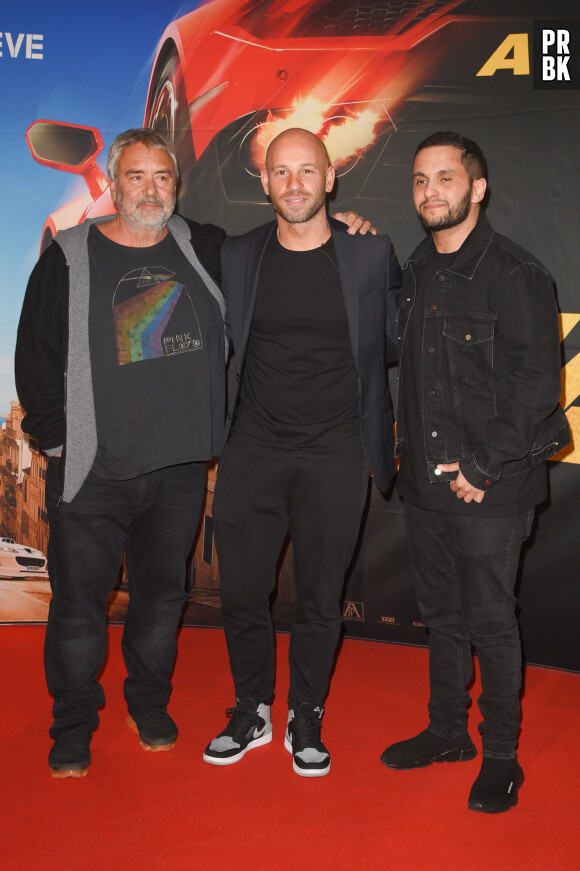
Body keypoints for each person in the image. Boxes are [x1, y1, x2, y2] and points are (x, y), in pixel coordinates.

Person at [15, 127, 371, 779]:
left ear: (176, 187)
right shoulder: (67, 254)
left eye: (162, 178)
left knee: (159, 599)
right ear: (114, 184)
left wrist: (343, 231)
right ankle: (72, 721)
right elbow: (33, 358)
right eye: (136, 177)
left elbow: (292, 241)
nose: (150, 190)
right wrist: (60, 440)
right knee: (77, 606)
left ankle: (147, 704)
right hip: (92, 470)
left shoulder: (204, 246)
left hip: (180, 470)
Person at [380, 132, 569, 812]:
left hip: (495, 483)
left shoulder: (517, 275)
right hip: (428, 484)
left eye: (446, 178)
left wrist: (483, 468)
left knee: (490, 620)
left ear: (477, 189)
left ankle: (500, 756)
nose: (431, 191)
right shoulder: (421, 267)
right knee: (442, 616)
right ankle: (446, 731)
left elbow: (536, 388)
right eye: (421, 179)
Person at [203, 127, 401, 777]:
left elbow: (394, 343)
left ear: (330, 178)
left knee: (321, 597)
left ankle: (305, 712)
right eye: (280, 171)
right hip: (252, 449)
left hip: (336, 452)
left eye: (306, 171)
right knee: (240, 593)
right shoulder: (236, 255)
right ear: (264, 183)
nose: (294, 183)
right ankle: (252, 707)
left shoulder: (371, 255)